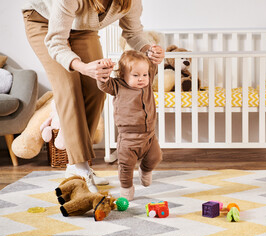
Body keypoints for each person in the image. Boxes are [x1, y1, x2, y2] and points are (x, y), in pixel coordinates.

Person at [22, 0, 165, 192]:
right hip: (44, 22)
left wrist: (148, 50)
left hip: (82, 27)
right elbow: (56, 42)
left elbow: (133, 33)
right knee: (69, 89)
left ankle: (78, 164)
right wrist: (82, 67)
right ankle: (78, 166)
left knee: (97, 87)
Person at [97, 50, 162, 201]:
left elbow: (152, 67)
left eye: (144, 75)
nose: (142, 79)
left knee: (156, 156)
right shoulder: (118, 86)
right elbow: (103, 84)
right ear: (123, 76)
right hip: (128, 138)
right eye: (136, 75)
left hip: (149, 135)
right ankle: (126, 187)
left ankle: (145, 170)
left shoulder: (147, 84)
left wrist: (152, 52)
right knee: (126, 166)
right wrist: (104, 70)